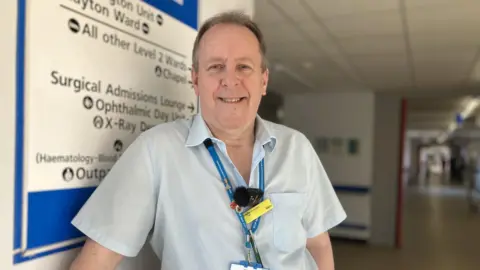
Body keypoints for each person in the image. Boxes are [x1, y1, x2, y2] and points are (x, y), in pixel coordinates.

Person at [69, 11, 346, 270]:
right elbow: (97, 258)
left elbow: (317, 243)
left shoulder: (297, 149)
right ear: (196, 80)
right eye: (216, 67)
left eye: (244, 67)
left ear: (263, 81)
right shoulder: (157, 151)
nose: (230, 79)